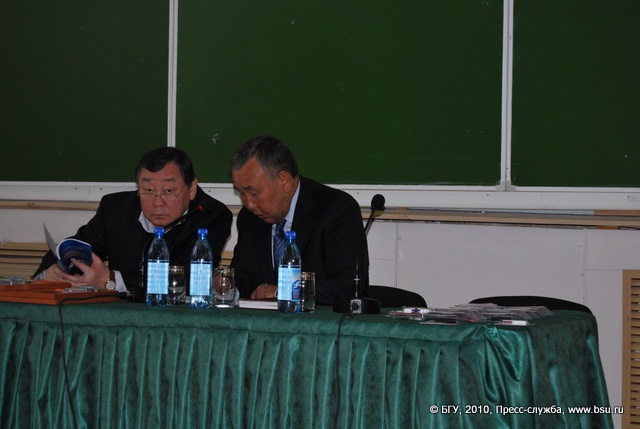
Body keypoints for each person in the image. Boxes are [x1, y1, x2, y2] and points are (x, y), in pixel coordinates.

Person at [33, 147, 232, 294]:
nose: (158, 201)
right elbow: (77, 247)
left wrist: (110, 279)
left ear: (191, 189)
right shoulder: (116, 208)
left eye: (169, 191)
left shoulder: (211, 215)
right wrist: (53, 272)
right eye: (148, 190)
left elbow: (185, 277)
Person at [229, 135, 369, 307]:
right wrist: (227, 287)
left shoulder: (336, 209)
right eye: (241, 193)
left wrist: (283, 292)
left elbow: (348, 288)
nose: (249, 204)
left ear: (284, 181)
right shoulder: (249, 218)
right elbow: (243, 277)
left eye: (253, 193)